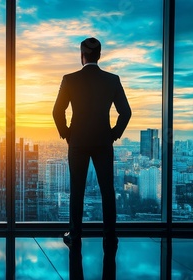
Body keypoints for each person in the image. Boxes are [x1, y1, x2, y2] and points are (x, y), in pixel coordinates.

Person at [53, 37, 131, 251]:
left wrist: (67, 133)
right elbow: (126, 112)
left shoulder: (69, 79)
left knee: (77, 190)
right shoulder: (112, 80)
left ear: (82, 56)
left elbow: (57, 111)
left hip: (77, 141)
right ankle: (110, 237)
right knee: (107, 190)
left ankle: (75, 235)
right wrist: (113, 134)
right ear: (99, 55)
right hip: (103, 141)